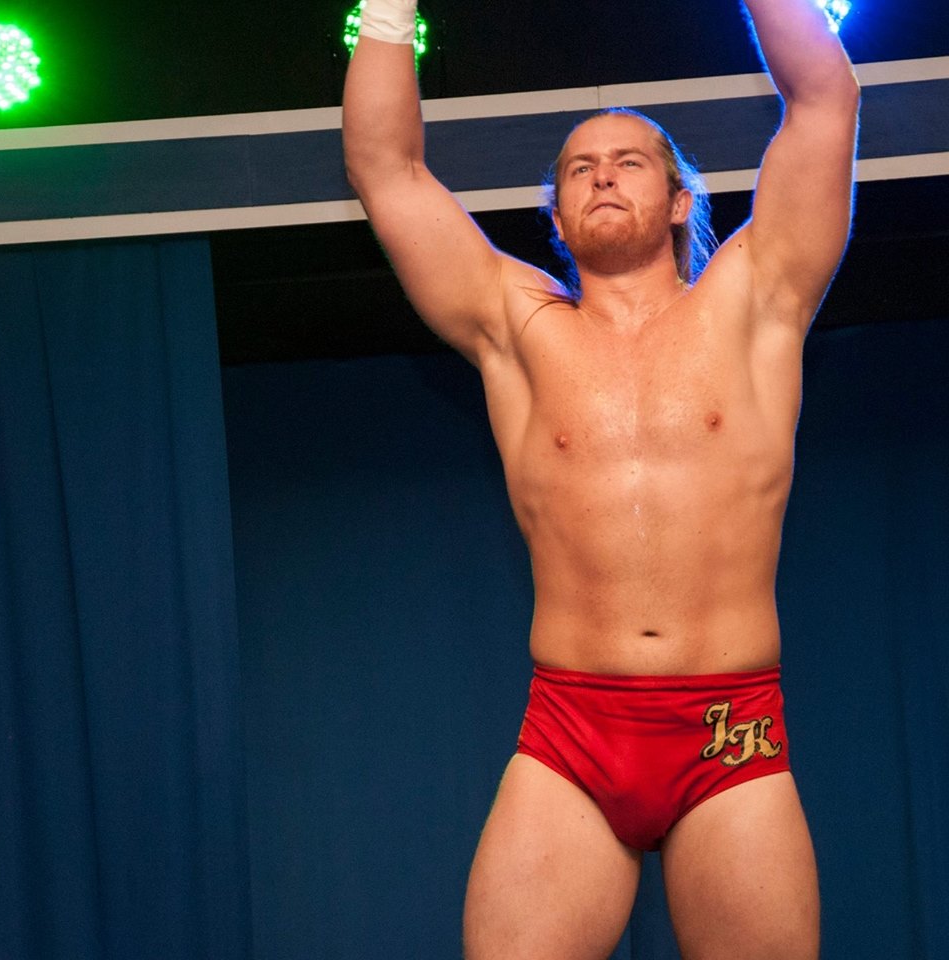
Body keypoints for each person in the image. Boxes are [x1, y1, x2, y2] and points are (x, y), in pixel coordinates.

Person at [343, 1, 859, 957]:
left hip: (728, 728)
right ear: (556, 216)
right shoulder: (516, 324)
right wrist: (386, 10)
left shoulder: (756, 299)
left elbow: (824, 98)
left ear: (680, 201)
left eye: (628, 161)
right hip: (573, 730)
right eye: (579, 168)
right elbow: (386, 167)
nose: (602, 175)